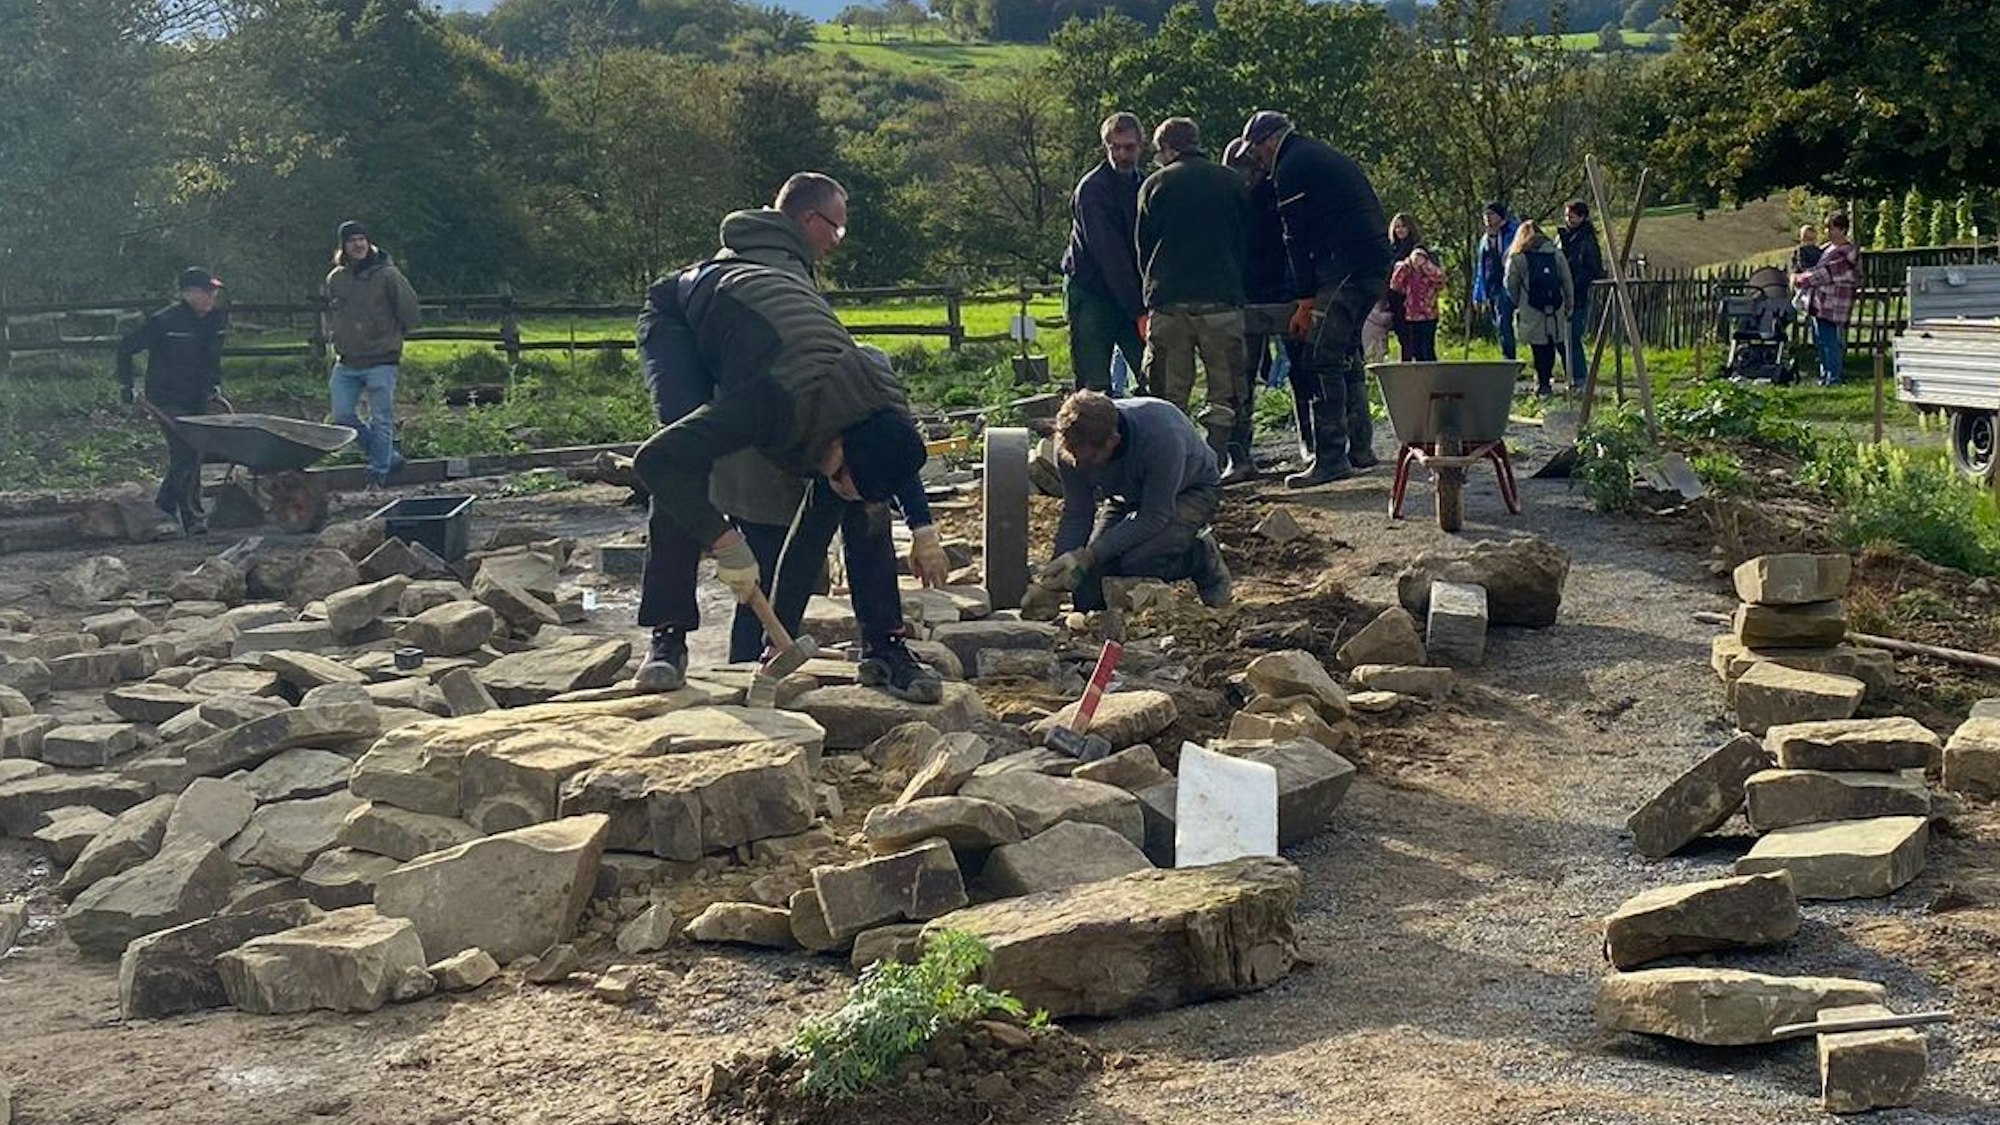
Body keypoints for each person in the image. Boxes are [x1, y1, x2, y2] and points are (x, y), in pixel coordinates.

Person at [630, 172, 940, 703]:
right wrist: (725, 542)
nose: (838, 486)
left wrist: (784, 634)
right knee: (685, 462)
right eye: (841, 475)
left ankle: (885, 646)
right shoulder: (771, 405)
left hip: (768, 346)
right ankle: (668, 635)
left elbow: (813, 534)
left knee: (862, 508)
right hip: (682, 318)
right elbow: (654, 461)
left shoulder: (878, 404)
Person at [1239, 110, 1392, 488]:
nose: (1257, 159)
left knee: (1321, 356)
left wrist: (1305, 298)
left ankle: (1330, 458)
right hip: (1372, 263)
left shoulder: (1291, 167)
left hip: (1346, 267)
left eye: (1257, 150)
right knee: (1347, 353)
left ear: (1269, 141)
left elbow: (1296, 237)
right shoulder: (1318, 154)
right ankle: (1360, 447)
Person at [1020, 390, 1230, 622]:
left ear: (1113, 440)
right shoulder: (1073, 447)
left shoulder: (1162, 436)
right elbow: (1078, 512)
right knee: (1088, 586)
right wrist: (1056, 577)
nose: (1081, 466)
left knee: (1138, 561)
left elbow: (1154, 516)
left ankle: (1200, 556)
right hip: (1125, 496)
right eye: (1074, 459)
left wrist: (1090, 554)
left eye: (1090, 460)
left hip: (1190, 490)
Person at [1135, 117, 1251, 480]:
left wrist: (1150, 292)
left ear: (1167, 149)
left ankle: (1175, 467)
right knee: (1227, 389)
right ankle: (1217, 459)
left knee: (1168, 393)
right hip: (1221, 299)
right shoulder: (1231, 181)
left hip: (1170, 301)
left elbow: (1143, 246)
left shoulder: (1155, 184)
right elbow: (1247, 240)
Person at [116, 267, 228, 535]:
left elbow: (213, 357)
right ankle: (192, 515)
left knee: (189, 453)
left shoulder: (216, 319)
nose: (213, 296)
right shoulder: (164, 322)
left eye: (214, 291)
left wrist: (214, 385)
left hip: (197, 397)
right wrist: (127, 385)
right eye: (207, 291)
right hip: (166, 397)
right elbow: (125, 347)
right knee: (188, 452)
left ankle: (163, 507)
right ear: (188, 293)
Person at [1224, 136, 1302, 476]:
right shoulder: (1226, 200)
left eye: (1249, 168)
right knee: (1238, 380)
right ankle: (1238, 455)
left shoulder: (1278, 191)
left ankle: (1311, 445)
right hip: (1245, 296)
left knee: (1302, 371)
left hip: (1283, 293)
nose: (1246, 175)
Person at [323, 221, 420, 487]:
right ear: (343, 246)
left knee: (382, 419)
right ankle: (388, 456)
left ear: (369, 242)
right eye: (352, 240)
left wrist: (392, 338)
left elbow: (410, 311)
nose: (357, 244)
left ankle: (378, 473)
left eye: (362, 239)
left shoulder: (388, 275)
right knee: (342, 415)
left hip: (381, 359)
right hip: (348, 360)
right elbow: (334, 312)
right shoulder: (336, 278)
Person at [1062, 113, 1147, 395]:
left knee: (1153, 375)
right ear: (1106, 147)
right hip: (1092, 291)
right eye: (1116, 147)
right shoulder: (1092, 190)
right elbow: (1108, 253)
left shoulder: (1145, 186)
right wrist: (1139, 310)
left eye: (1129, 147)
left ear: (1140, 147)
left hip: (1132, 291)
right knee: (1093, 386)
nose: (1122, 154)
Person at [1504, 220, 1574, 397]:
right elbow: (1566, 279)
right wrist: (1568, 302)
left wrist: (1518, 301)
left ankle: (1543, 384)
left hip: (1531, 307)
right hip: (1554, 306)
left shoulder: (1518, 258)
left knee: (1539, 347)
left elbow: (1510, 283)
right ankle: (1571, 379)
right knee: (1556, 343)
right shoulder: (1556, 254)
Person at [1792, 212, 1859, 386]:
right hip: (1819, 300)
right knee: (1820, 339)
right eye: (1827, 227)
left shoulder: (1846, 252)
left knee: (1830, 340)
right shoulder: (1827, 248)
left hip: (1833, 301)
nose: (1828, 231)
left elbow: (1825, 273)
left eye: (1832, 228)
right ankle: (1825, 374)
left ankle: (1834, 376)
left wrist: (1799, 279)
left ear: (1843, 229)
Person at [1557, 200, 1606, 392]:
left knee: (1573, 336)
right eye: (1567, 215)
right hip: (1561, 292)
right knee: (1561, 338)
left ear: (1582, 216)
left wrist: (1576, 286)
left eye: (1572, 215)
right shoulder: (1563, 237)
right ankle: (1571, 375)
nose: (1568, 219)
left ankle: (1580, 378)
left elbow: (1592, 268)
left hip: (1579, 293)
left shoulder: (1586, 239)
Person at [1472, 202, 1520, 361]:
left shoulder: (1513, 233)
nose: (1488, 218)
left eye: (1491, 214)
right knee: (1499, 324)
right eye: (1485, 215)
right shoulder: (1485, 239)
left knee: (1504, 321)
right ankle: (1507, 355)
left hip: (1509, 284)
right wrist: (1478, 293)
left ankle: (1509, 358)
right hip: (1492, 285)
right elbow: (1482, 267)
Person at [1388, 248, 1445, 361]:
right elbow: (1395, 285)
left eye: (1420, 258)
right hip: (1412, 315)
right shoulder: (1408, 272)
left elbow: (1441, 280)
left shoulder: (1430, 271)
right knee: (1415, 347)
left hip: (1429, 315)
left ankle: (1432, 370)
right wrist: (1406, 265)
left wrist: (1425, 266)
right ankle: (1419, 372)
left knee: (1428, 346)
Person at [1386, 213, 1422, 360]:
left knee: (1411, 334)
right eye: (1397, 227)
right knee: (1400, 331)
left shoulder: (1416, 248)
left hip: (1412, 297)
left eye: (1403, 226)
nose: (1400, 230)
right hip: (1394, 296)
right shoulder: (1391, 249)